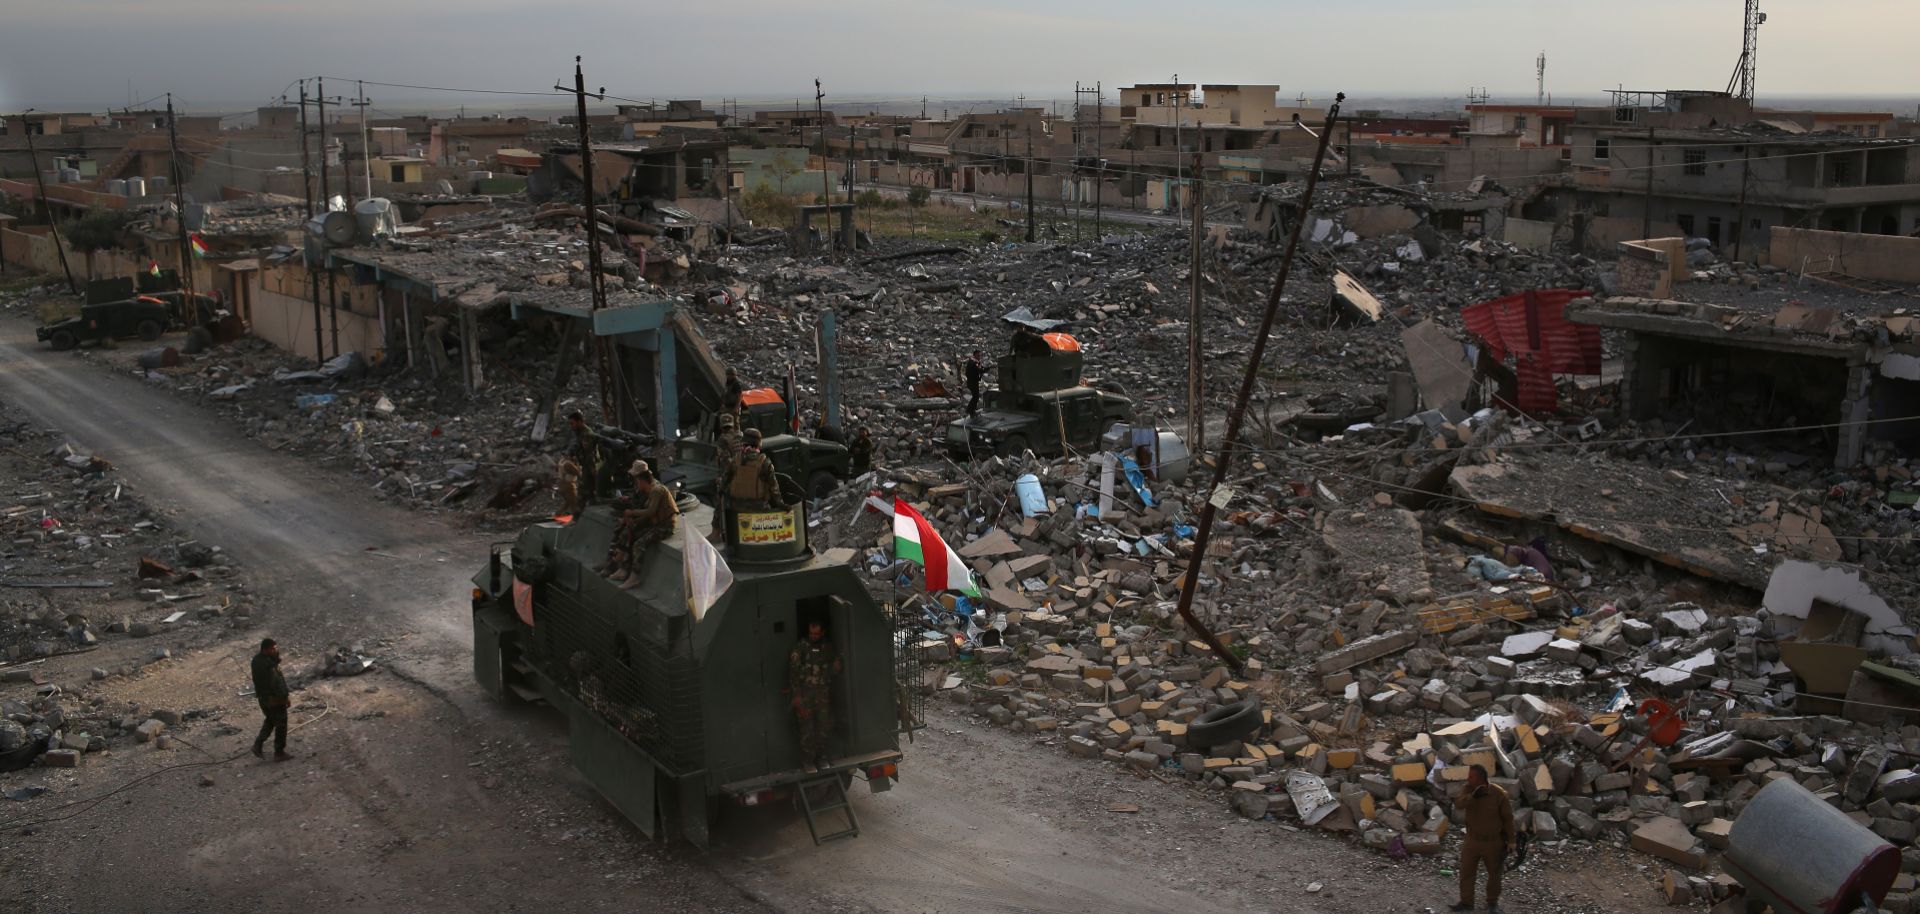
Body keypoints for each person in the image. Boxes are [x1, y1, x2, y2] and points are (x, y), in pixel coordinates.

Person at [1452, 764, 1516, 914]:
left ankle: (1492, 903)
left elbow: (1508, 819)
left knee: (1495, 874)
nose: (1468, 779)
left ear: (1481, 779)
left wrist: (1512, 840)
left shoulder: (1499, 794)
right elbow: (1459, 804)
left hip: (1493, 842)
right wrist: (1472, 796)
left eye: (1471, 777)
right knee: (1466, 872)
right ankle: (1466, 902)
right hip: (1472, 840)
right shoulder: (1468, 790)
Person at [611, 462, 678, 590]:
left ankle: (634, 578)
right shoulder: (648, 491)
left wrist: (632, 513)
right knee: (629, 534)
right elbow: (648, 514)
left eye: (637, 480)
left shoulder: (657, 490)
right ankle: (624, 569)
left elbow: (650, 511)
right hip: (656, 523)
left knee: (639, 544)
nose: (636, 484)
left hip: (665, 526)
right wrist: (633, 521)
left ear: (641, 479)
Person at [787, 621, 841, 769]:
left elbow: (835, 670)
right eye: (811, 633)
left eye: (816, 633)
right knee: (807, 729)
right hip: (805, 696)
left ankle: (821, 758)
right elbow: (793, 673)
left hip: (822, 695)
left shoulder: (828, 647)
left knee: (823, 727)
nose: (813, 636)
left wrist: (835, 667)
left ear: (822, 633)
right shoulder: (801, 647)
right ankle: (808, 761)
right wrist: (797, 696)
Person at [250, 638, 293, 761]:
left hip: (263, 699)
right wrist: (285, 697)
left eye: (275, 648)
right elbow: (276, 683)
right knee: (281, 723)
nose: (275, 650)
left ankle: (258, 745)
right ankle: (279, 752)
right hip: (273, 699)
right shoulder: (268, 664)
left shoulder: (257, 660)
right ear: (265, 650)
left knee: (270, 720)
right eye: (273, 649)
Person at [724, 428, 784, 510]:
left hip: (736, 508)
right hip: (759, 508)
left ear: (743, 442)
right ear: (759, 443)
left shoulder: (735, 460)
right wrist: (781, 504)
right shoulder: (764, 462)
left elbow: (724, 482)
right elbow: (774, 487)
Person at [566, 410, 605, 501]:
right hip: (585, 466)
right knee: (585, 493)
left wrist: (590, 471)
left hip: (589, 467)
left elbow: (589, 454)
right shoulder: (579, 433)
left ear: (579, 421)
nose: (571, 426)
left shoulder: (586, 435)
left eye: (572, 423)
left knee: (584, 493)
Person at [964, 351, 984, 415]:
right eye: (978, 356)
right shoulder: (973, 362)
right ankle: (970, 410)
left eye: (979, 355)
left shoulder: (973, 362)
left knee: (975, 396)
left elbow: (979, 370)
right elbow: (979, 370)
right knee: (976, 397)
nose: (979, 357)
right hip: (972, 383)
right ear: (974, 355)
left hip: (972, 382)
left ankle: (971, 410)